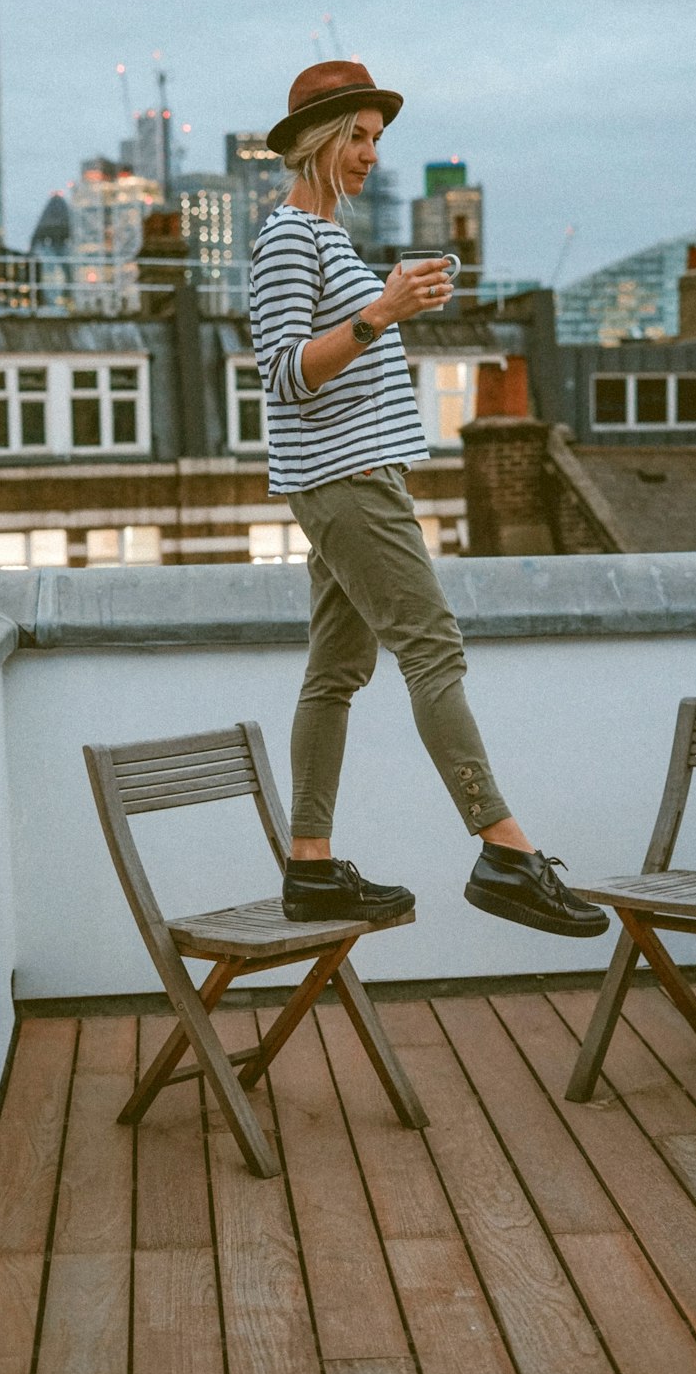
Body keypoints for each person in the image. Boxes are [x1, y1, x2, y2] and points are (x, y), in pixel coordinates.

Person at [249, 59, 609, 940]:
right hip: (348, 480)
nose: (371, 153)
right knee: (433, 650)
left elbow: (342, 352)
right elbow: (285, 375)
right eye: (358, 137)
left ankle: (312, 870)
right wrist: (382, 310)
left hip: (354, 475)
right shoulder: (289, 237)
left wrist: (396, 305)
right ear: (315, 143)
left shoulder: (330, 239)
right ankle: (505, 851)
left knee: (335, 673)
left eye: (378, 137)